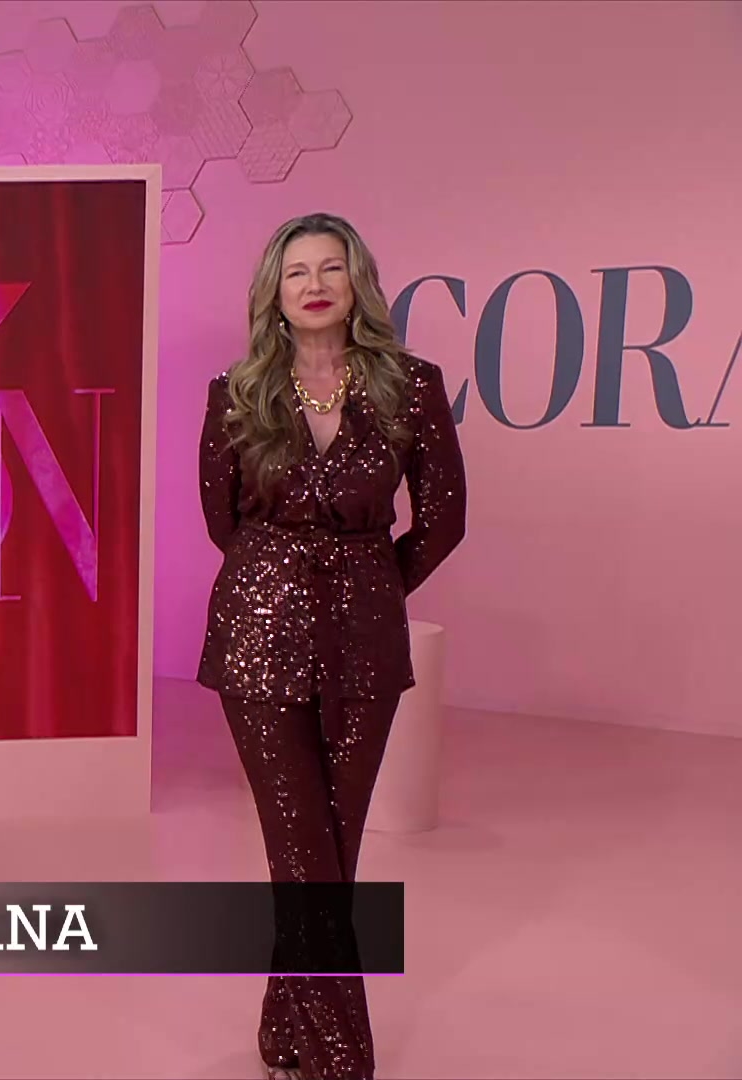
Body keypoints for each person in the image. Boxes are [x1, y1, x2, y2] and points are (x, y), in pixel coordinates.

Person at [198, 213, 467, 1079]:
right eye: (296, 272)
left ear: (358, 285)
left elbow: (444, 519)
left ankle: (285, 1031)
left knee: (332, 851)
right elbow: (222, 521)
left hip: (365, 643)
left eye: (331, 268)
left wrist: (370, 589)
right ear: (273, 294)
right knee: (302, 848)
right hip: (257, 634)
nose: (314, 284)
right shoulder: (236, 392)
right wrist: (287, 582)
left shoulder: (412, 387)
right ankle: (345, 1057)